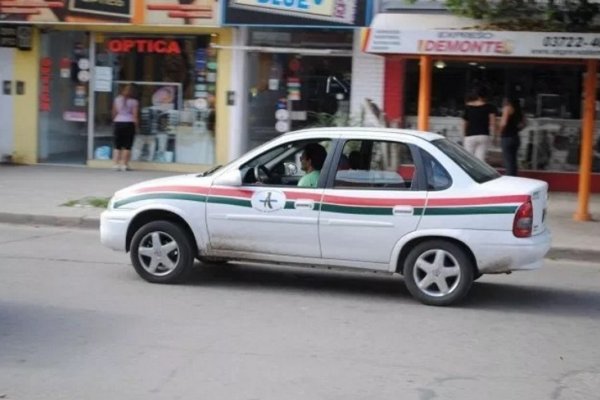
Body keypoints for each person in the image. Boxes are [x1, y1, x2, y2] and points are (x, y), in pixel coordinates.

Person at [462, 87, 496, 161]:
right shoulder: (490, 107)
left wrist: (464, 135)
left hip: (470, 135)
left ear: (477, 95)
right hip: (484, 135)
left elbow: (465, 123)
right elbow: (492, 123)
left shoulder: (468, 107)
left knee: (468, 159)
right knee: (480, 160)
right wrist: (494, 136)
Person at [112, 84, 139, 171]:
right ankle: (124, 165)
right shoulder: (134, 101)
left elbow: (114, 112)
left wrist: (114, 121)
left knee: (117, 145)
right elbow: (135, 116)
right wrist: (136, 126)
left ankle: (116, 164)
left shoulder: (117, 99)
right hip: (129, 123)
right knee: (127, 145)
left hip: (118, 122)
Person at [498, 96, 526, 176]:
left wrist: (500, 132)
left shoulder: (507, 108)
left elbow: (503, 123)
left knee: (508, 161)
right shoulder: (519, 110)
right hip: (515, 137)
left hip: (507, 137)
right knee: (513, 161)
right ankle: (514, 177)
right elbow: (524, 123)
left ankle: (510, 179)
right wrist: (517, 129)